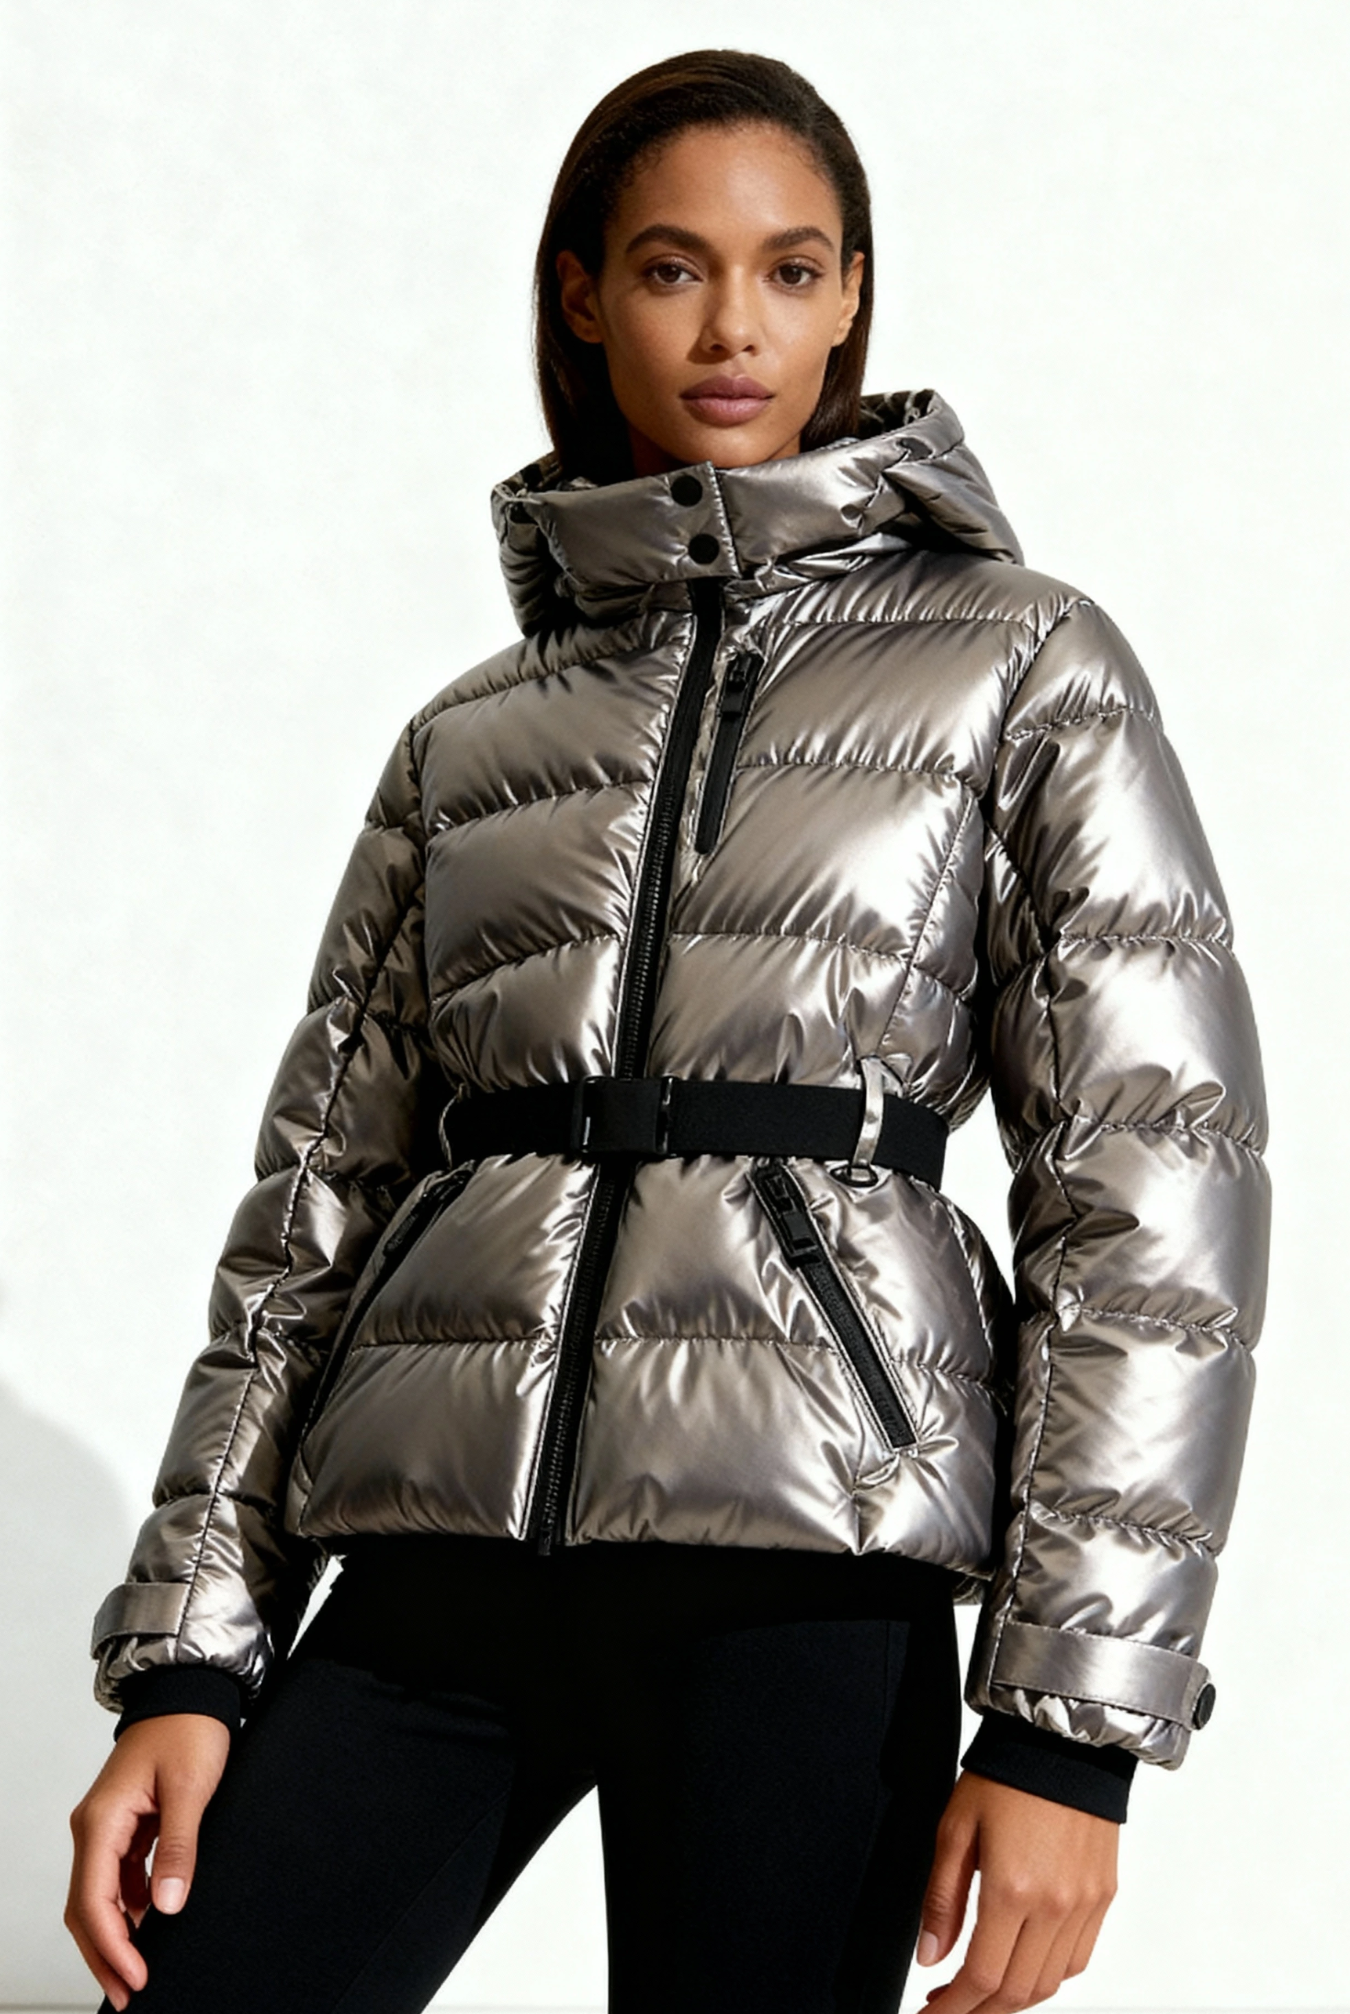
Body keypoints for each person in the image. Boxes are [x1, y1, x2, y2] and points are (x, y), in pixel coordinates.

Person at [64, 47, 1270, 2014]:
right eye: (671, 268)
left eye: (790, 270)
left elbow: (1151, 1191)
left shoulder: (1021, 662)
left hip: (812, 1552)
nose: (732, 329)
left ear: (853, 295)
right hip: (448, 1552)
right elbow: (309, 1218)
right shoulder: (472, 739)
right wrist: (190, 1661)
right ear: (582, 294)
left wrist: (1067, 1726)